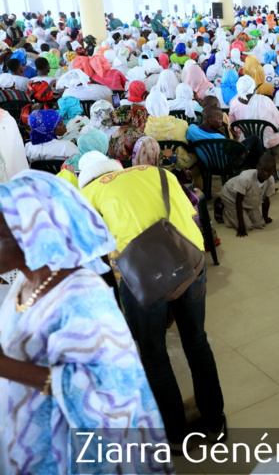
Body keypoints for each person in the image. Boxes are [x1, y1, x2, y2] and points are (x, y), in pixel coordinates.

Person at [0, 172, 171, 474]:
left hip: (69, 451)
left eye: (1, 235)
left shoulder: (82, 296)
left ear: (36, 233)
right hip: (30, 439)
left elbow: (108, 387)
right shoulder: (23, 284)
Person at [80, 153, 225, 444]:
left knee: (153, 354)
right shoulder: (157, 172)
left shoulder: (87, 196)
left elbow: (93, 255)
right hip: (189, 264)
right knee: (196, 341)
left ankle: (175, 434)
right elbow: (189, 213)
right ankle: (215, 422)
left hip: (141, 281)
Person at [218, 153, 277, 237]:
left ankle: (243, 211)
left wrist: (265, 217)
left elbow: (266, 199)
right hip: (231, 196)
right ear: (257, 167)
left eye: (269, 171)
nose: (265, 174)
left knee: (260, 223)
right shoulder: (246, 178)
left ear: (273, 171)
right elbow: (238, 201)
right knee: (247, 226)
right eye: (263, 170)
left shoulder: (270, 180)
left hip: (247, 199)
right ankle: (224, 211)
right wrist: (241, 226)